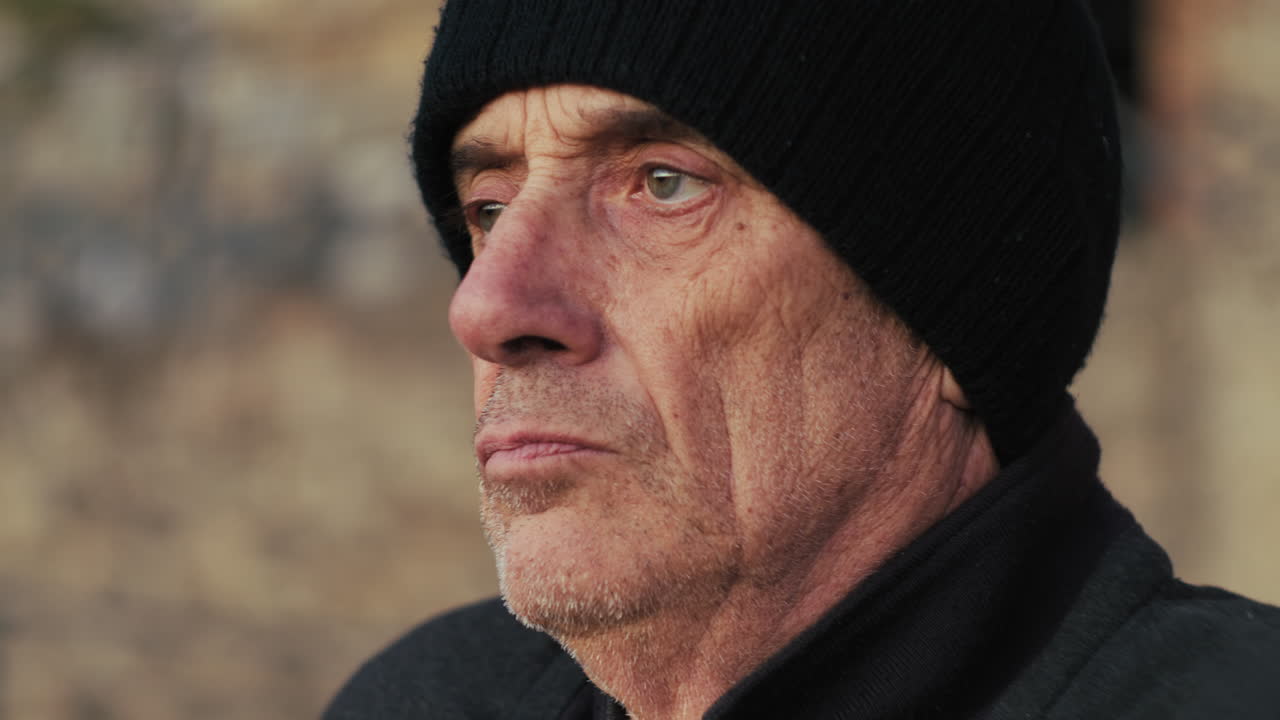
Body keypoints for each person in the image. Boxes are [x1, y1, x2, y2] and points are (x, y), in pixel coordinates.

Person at [324, 1, 1280, 718]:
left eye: (662, 185)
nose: (485, 305)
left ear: (945, 311)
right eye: (488, 207)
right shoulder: (428, 702)